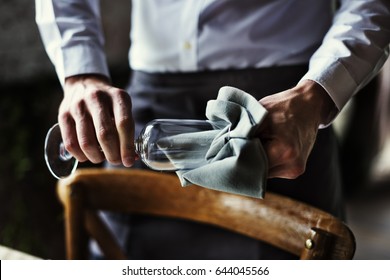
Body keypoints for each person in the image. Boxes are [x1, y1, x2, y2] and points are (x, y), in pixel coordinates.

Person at [35, 0, 390, 259]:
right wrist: (81, 74)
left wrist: (315, 96)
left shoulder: (298, 107)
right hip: (148, 104)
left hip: (280, 110)